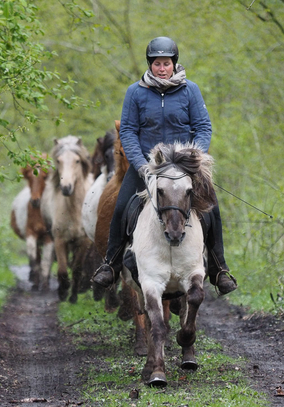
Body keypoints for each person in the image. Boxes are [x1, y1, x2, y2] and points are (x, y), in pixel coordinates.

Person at [91, 36, 237, 295]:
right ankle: (111, 264)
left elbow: (203, 127)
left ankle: (218, 268)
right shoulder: (135, 92)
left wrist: (193, 158)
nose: (162, 68)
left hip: (184, 168)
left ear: (174, 64)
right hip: (147, 167)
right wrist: (140, 165)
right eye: (157, 63)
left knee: (211, 208)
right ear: (150, 64)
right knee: (121, 205)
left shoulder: (190, 90)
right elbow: (128, 130)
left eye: (166, 63)